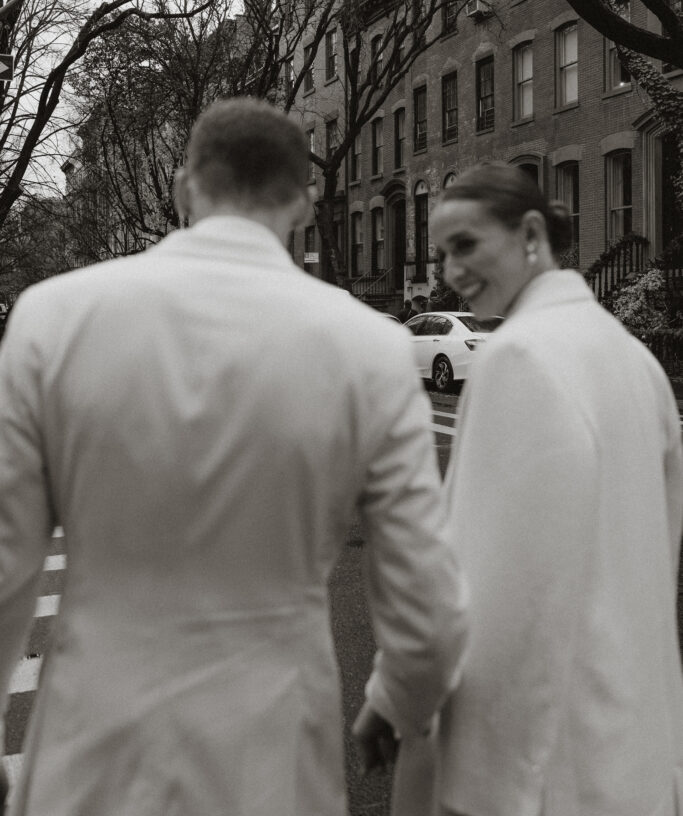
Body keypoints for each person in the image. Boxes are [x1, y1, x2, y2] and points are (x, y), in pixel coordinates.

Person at [0, 98, 468, 816]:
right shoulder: (368, 348)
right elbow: (425, 598)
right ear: (307, 205)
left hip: (90, 739)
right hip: (271, 747)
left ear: (186, 188)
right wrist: (401, 700)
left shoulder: (51, 317)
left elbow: (7, 561)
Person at [406, 161, 682, 816]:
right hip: (633, 746)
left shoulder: (519, 357)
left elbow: (485, 593)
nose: (448, 270)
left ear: (531, 233)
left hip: (539, 768)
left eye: (465, 244)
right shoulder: (636, 363)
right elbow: (657, 556)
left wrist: (429, 735)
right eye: (442, 252)